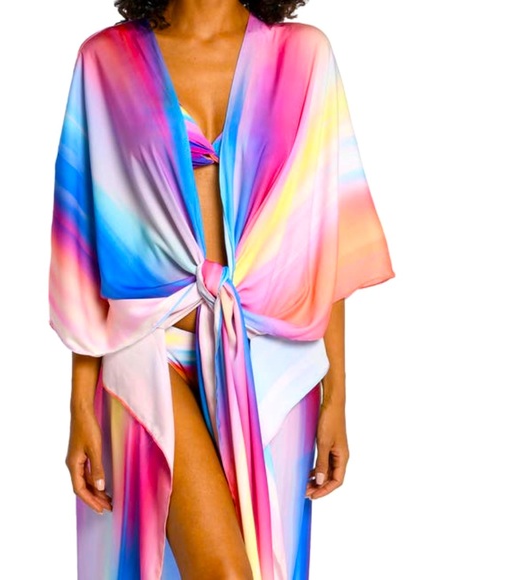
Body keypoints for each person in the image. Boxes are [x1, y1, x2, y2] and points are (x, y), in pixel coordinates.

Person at [47, 0, 395, 578]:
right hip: (150, 351)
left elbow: (323, 240)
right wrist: (80, 404)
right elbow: (85, 247)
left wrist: (337, 395)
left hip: (275, 360)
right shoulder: (105, 61)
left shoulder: (304, 56)